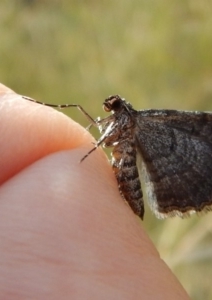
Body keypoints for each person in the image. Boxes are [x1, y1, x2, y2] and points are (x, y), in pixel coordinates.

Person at [0, 83, 189, 299]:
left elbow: (106, 140)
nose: (110, 107)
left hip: (127, 174)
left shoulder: (127, 121)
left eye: (115, 105)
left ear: (120, 109)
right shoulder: (121, 121)